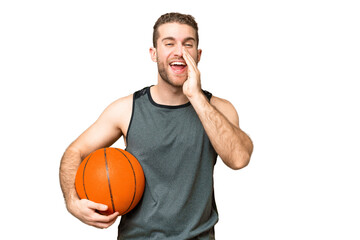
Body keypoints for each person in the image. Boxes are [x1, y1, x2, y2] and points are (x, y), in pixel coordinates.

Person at [59, 12, 253, 239]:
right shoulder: (126, 109)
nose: (179, 52)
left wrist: (196, 96)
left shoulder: (220, 109)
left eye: (187, 44)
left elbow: (239, 159)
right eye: (169, 43)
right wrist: (72, 200)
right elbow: (75, 151)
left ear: (198, 55)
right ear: (154, 53)